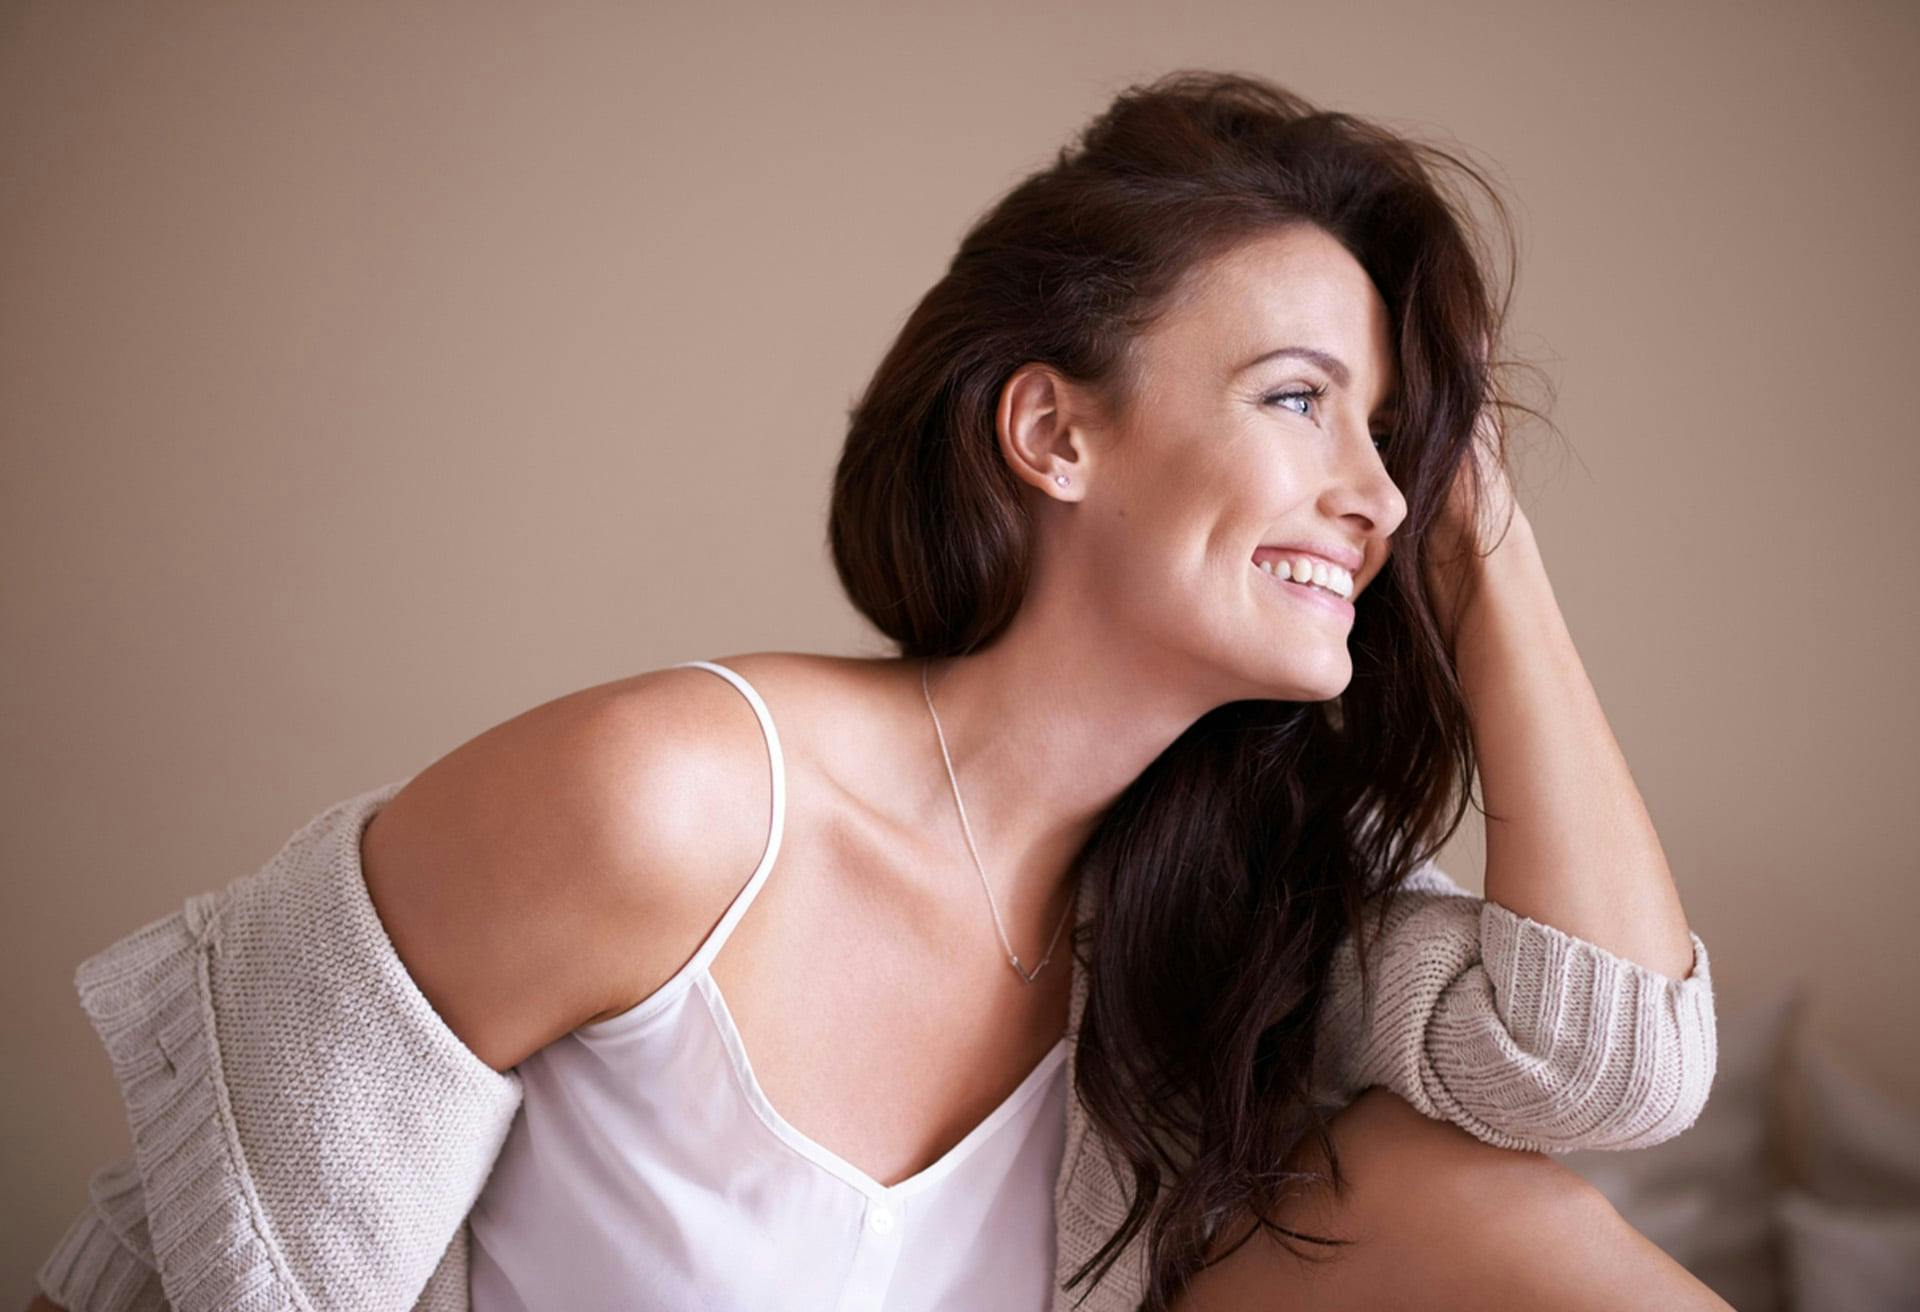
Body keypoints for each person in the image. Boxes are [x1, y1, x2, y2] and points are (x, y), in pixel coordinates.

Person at [32, 70, 1725, 1312]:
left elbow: (1605, 1075)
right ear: (1053, 433)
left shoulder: (1235, 915)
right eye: (1299, 401)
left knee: (1493, 1215)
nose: (1375, 491)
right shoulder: (672, 803)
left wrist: (1484, 543)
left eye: (1393, 434)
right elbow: (210, 1268)